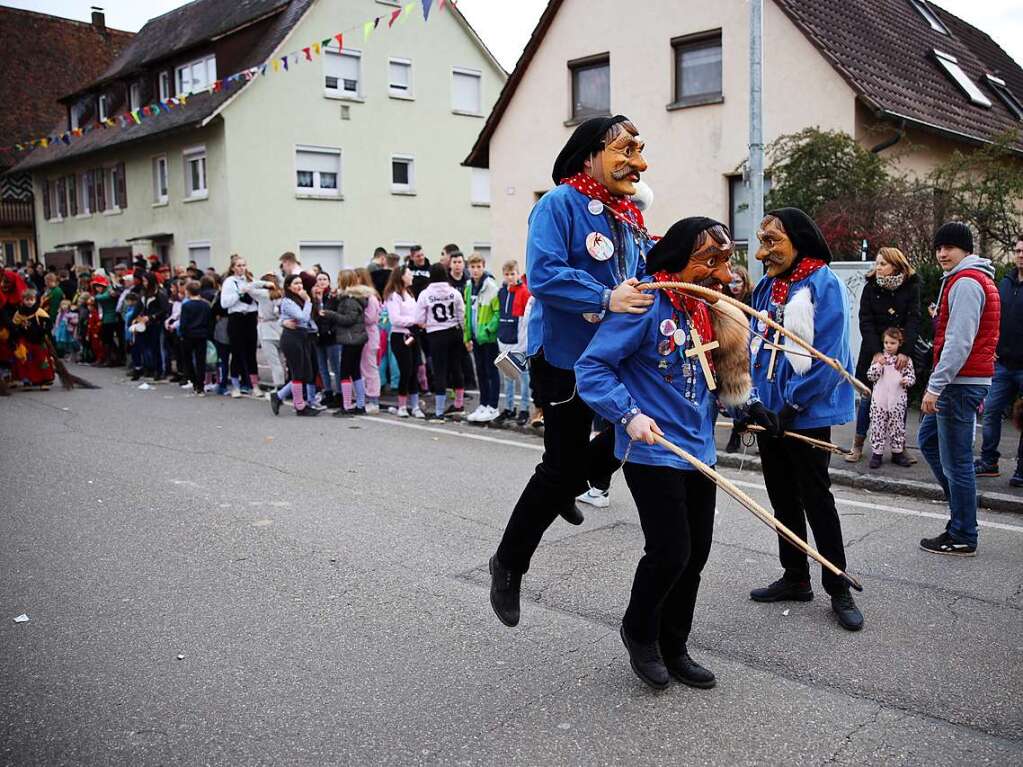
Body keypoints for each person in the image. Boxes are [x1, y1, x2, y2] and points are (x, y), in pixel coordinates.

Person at [576, 216, 762, 690]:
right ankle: (639, 632)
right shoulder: (644, 304)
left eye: (726, 262)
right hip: (653, 448)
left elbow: (716, 380)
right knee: (670, 550)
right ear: (680, 259)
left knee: (696, 553)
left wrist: (747, 409)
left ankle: (675, 644)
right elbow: (592, 368)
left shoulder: (708, 310)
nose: (722, 274)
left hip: (700, 449)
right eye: (710, 262)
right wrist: (628, 415)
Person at [489, 115, 656, 628]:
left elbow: (643, 275)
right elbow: (542, 275)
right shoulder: (557, 204)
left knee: (640, 431)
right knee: (559, 467)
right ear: (590, 155)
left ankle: (577, 481)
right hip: (564, 358)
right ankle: (509, 564)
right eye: (625, 149)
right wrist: (606, 297)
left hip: (619, 356)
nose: (638, 162)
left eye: (640, 150)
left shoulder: (629, 215)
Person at [746, 208, 863, 632]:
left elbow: (831, 359)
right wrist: (754, 403)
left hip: (806, 414)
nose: (763, 252)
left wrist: (790, 408)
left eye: (772, 241)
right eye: (761, 241)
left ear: (798, 239)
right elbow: (752, 347)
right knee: (781, 496)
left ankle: (839, 586)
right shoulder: (767, 287)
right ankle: (795, 577)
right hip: (770, 415)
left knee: (816, 498)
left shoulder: (824, 284)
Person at [918, 222, 1000, 556]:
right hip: (963, 380)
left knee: (957, 463)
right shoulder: (972, 279)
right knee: (929, 441)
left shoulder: (966, 282)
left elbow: (959, 342)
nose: (941, 253)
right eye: (938, 247)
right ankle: (960, 517)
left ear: (965, 249)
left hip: (958, 383)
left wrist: (935, 386)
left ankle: (963, 532)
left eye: (949, 247)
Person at [847, 247, 921, 463]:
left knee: (900, 399)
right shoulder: (870, 288)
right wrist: (876, 352)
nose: (877, 268)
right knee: (868, 397)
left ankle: (899, 449)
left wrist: (905, 352)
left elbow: (914, 319)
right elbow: (865, 321)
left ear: (896, 266)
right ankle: (858, 444)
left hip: (900, 355)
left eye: (882, 264)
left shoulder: (911, 287)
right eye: (876, 263)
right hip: (874, 352)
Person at [975, 235, 1023, 484]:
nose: (1020, 255)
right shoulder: (1004, 283)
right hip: (1003, 363)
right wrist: (992, 346)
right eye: (1017, 250)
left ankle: (1021, 470)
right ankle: (988, 461)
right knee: (992, 411)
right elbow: (993, 318)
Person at [415, 263, 465, 422]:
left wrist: (425, 324)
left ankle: (439, 410)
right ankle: (459, 404)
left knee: (440, 370)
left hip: (436, 334)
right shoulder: (454, 292)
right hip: (454, 331)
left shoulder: (425, 294)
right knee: (456, 367)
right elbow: (461, 313)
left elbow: (418, 318)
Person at [270, 274, 320, 417]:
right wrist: (308, 301)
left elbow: (310, 318)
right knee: (298, 372)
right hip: (292, 338)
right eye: (295, 283)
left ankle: (279, 396)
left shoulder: (300, 299)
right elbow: (302, 317)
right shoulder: (288, 301)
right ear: (288, 286)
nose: (299, 286)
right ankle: (299, 406)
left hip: (303, 336)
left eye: (301, 283)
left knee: (306, 372)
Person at [866, 327, 916, 468]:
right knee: (877, 427)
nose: (888, 346)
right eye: (886, 342)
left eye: (892, 343)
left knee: (897, 427)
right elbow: (870, 376)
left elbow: (911, 377)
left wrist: (907, 380)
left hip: (897, 401)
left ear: (899, 343)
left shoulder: (905, 360)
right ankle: (877, 454)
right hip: (879, 401)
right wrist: (878, 366)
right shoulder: (879, 359)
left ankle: (897, 453)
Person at [220, 255, 266, 397]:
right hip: (236, 317)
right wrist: (240, 292)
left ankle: (254, 385)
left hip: (250, 316)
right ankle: (236, 386)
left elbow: (260, 294)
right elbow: (225, 303)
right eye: (238, 265)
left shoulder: (250, 280)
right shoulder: (229, 282)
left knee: (251, 352)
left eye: (243, 265)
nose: (241, 268)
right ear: (233, 267)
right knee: (237, 352)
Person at [327, 269, 370, 416]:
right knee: (355, 371)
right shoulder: (354, 297)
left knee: (345, 372)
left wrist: (331, 314)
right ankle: (360, 404)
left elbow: (348, 319)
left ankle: (346, 405)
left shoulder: (350, 299)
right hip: (357, 338)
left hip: (351, 338)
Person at [383, 266, 424, 418]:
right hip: (400, 337)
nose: (412, 276)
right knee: (406, 370)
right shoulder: (394, 296)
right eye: (409, 274)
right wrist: (414, 321)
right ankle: (402, 405)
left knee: (415, 369)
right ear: (401, 277)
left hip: (413, 335)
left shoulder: (410, 294)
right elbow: (395, 319)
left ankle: (414, 405)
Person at [464, 254, 501, 423]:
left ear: (483, 266)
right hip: (475, 337)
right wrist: (467, 335)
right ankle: (483, 404)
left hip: (488, 338)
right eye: (472, 267)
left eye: (479, 266)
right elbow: (467, 313)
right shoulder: (469, 286)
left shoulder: (491, 287)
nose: (476, 270)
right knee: (480, 372)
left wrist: (488, 330)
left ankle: (493, 406)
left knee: (491, 371)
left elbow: (497, 313)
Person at [496, 259, 533, 426]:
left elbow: (525, 322)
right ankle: (509, 408)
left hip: (520, 343)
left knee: (524, 378)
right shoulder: (502, 292)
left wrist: (523, 345)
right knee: (508, 377)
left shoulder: (524, 292)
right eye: (507, 274)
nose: (510, 277)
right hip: (504, 340)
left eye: (513, 273)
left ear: (518, 274)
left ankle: (524, 408)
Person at [725, 265, 754, 453]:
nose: (734, 286)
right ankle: (736, 434)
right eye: (732, 281)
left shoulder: (751, 301)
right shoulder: (725, 300)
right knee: (736, 397)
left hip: (750, 352)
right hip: (732, 354)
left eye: (738, 281)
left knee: (751, 396)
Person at [10, 287, 55, 387]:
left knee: (42, 360)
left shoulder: (39, 311)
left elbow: (48, 324)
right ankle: (29, 380)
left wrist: (43, 332)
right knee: (27, 361)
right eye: (27, 300)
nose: (29, 302)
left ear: (35, 300)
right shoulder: (19, 313)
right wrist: (17, 333)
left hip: (38, 340)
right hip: (26, 341)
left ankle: (44, 380)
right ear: (23, 300)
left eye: (32, 300)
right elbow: (14, 325)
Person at [311, 272, 343, 408]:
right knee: (322, 367)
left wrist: (333, 329)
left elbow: (337, 315)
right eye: (319, 279)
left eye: (325, 279)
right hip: (318, 337)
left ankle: (340, 394)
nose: (322, 281)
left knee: (336, 367)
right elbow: (312, 316)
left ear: (329, 282)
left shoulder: (334, 297)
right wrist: (317, 301)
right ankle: (328, 392)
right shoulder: (315, 298)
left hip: (332, 336)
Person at [253, 272, 287, 393]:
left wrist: (262, 283)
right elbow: (284, 282)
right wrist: (277, 275)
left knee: (274, 362)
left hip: (267, 331)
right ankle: (285, 386)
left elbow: (248, 287)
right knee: (283, 360)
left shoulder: (262, 294)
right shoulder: (281, 294)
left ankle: (279, 387)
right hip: (281, 328)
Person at [178, 280, 212, 396]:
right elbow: (209, 321)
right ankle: (201, 385)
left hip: (188, 335)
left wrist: (181, 334)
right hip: (202, 335)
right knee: (200, 361)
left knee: (188, 360)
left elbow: (183, 322)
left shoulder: (186, 305)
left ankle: (194, 382)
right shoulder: (206, 305)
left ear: (188, 292)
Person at [355, 267, 382, 414]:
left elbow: (371, 318)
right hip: (363, 335)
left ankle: (373, 399)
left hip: (369, 335)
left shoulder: (370, 297)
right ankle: (364, 397)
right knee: (362, 367)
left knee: (369, 368)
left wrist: (355, 317)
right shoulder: (362, 296)